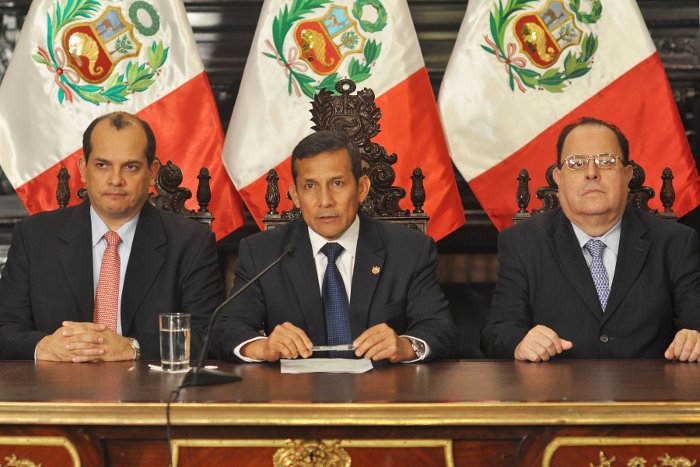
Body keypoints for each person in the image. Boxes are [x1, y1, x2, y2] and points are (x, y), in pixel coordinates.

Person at [212, 131, 457, 363]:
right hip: (295, 399)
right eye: (310, 186)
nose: (325, 201)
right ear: (295, 196)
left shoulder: (409, 250)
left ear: (361, 188)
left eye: (337, 183)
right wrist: (263, 347)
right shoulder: (262, 253)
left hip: (381, 399)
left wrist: (406, 346)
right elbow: (226, 327)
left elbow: (440, 328)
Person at [0, 112, 223, 361]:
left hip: (150, 394)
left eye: (131, 167)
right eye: (102, 165)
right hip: (56, 391)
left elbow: (209, 335)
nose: (116, 180)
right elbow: (5, 328)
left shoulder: (190, 243)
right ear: (83, 169)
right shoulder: (35, 237)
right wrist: (42, 346)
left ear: (152, 172)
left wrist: (132, 348)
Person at [482, 117, 700, 362]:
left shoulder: (675, 243)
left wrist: (694, 338)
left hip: (648, 395)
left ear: (627, 175)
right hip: (555, 394)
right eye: (576, 163)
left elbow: (695, 325)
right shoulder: (523, 242)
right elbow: (496, 333)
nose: (592, 173)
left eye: (606, 161)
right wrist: (520, 342)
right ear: (558, 177)